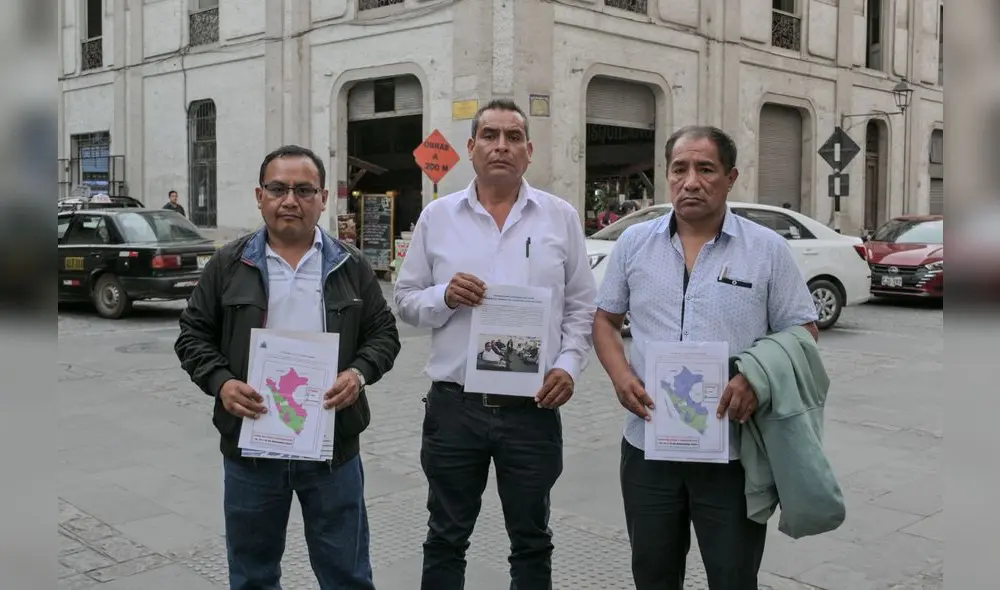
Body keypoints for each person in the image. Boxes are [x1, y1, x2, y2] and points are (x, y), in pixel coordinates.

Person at [591, 125, 820, 590]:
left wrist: (757, 379)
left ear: (731, 177)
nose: (690, 181)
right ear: (667, 176)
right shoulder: (634, 245)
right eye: (679, 169)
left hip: (733, 454)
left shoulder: (767, 250)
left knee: (734, 577)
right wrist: (620, 376)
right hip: (648, 446)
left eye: (705, 169)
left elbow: (803, 331)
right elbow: (605, 321)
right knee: (653, 574)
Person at [174, 144, 401, 590]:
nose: (290, 200)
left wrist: (357, 374)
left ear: (322, 198)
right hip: (252, 450)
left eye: (303, 189)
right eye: (278, 189)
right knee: (253, 576)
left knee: (347, 575)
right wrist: (222, 383)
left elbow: (384, 335)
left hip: (332, 448)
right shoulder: (229, 264)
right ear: (260, 196)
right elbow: (192, 336)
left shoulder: (349, 265)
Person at [393, 99, 598, 590]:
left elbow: (582, 307)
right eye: (489, 135)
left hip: (532, 408)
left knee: (531, 539)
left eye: (512, 137)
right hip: (455, 407)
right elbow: (404, 299)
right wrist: (444, 296)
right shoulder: (438, 217)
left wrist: (568, 365)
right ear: (470, 148)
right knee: (445, 536)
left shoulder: (560, 217)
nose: (500, 146)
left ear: (529, 151)